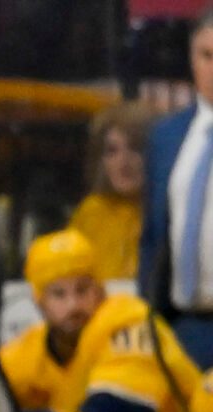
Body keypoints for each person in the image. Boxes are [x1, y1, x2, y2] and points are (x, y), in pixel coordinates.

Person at [1, 230, 210, 412]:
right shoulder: (22, 355)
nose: (73, 305)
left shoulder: (127, 317)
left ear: (100, 290)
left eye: (82, 289)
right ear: (39, 301)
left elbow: (127, 404)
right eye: (58, 294)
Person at [140, 8, 213, 365]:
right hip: (183, 326)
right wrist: (150, 317)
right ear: (192, 59)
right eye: (207, 55)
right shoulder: (165, 137)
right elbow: (153, 235)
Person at [70, 106, 149, 287]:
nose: (123, 162)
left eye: (135, 148)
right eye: (112, 151)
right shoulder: (91, 212)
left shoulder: (166, 211)